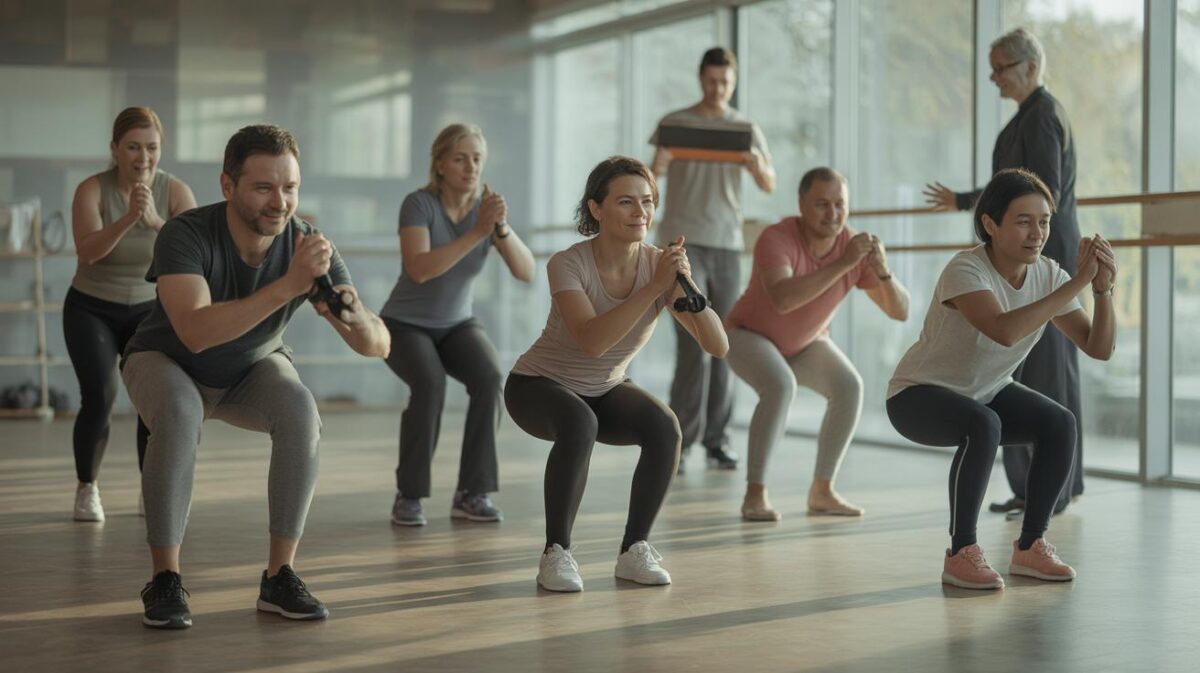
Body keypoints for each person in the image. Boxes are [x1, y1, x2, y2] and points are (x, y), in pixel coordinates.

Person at [121, 124, 391, 629]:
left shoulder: (308, 244)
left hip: (252, 367)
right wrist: (288, 286)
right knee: (180, 413)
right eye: (263, 187)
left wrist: (349, 314)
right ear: (228, 186)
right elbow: (196, 332)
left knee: (300, 410)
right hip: (165, 359)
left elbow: (377, 344)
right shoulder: (187, 233)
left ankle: (280, 575)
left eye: (290, 187)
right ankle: (164, 580)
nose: (280, 201)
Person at [505, 157, 729, 592]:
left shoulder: (658, 267)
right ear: (596, 209)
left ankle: (634, 550)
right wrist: (654, 287)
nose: (640, 212)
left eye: (646, 202)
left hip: (605, 387)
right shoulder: (567, 264)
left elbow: (718, 345)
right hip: (537, 386)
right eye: (626, 202)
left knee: (665, 427)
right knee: (578, 421)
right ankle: (556, 553)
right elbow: (593, 340)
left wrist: (686, 284)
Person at [889, 168, 1115, 590]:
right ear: (990, 224)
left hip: (987, 392)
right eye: (1024, 221)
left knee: (1059, 423)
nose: (1038, 232)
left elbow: (1098, 347)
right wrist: (1079, 281)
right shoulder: (966, 270)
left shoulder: (1048, 275)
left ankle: (1031, 546)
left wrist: (1102, 291)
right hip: (917, 396)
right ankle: (961, 553)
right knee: (982, 423)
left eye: (1045, 220)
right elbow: (1004, 329)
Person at [923, 28, 1082, 517]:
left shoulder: (1043, 118)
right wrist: (966, 202)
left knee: (1048, 378)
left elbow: (1038, 196)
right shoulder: (1027, 119)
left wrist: (1031, 251)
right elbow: (1007, 191)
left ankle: (1051, 490)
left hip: (1041, 264)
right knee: (1017, 374)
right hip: (1018, 263)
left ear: (1029, 67)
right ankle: (1031, 489)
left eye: (1000, 69)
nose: (994, 79)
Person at [726, 168, 909, 522]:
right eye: (822, 204)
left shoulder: (852, 246)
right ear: (801, 205)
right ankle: (755, 494)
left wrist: (883, 270)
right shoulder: (776, 237)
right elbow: (782, 299)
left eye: (840, 204)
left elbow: (900, 312)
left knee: (848, 386)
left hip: (805, 343)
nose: (833, 214)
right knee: (780, 386)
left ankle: (822, 491)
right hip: (746, 335)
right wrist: (845, 263)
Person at [381, 124, 535, 526]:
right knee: (429, 384)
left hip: (456, 323)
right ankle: (409, 495)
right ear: (441, 164)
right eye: (460, 158)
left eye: (477, 159)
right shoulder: (418, 204)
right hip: (404, 324)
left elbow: (526, 270)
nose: (471, 167)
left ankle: (472, 493)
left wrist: (498, 228)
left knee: (489, 378)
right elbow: (419, 269)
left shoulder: (487, 212)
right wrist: (480, 232)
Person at [66, 106, 197, 522]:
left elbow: (195, 254)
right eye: (134, 147)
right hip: (91, 306)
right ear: (115, 149)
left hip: (149, 309)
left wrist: (157, 221)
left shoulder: (175, 191)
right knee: (100, 396)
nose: (143, 157)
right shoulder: (91, 189)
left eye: (152, 148)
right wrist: (128, 218)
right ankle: (87, 488)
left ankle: (151, 489)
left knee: (151, 401)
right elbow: (87, 252)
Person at [649, 46, 775, 474]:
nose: (717, 88)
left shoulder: (745, 126)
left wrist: (757, 166)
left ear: (733, 82)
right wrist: (657, 165)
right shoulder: (674, 123)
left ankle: (718, 439)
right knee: (692, 341)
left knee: (725, 342)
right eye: (710, 80)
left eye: (724, 82)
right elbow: (649, 179)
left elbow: (769, 182)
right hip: (682, 243)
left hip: (726, 242)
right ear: (699, 78)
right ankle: (680, 439)